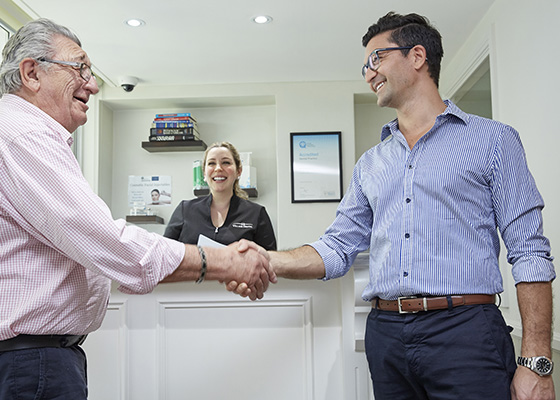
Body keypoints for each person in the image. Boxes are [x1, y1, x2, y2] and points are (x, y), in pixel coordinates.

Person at [230, 11, 555, 400]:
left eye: (376, 59)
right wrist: (266, 259)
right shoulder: (371, 163)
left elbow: (529, 251)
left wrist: (536, 360)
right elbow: (336, 249)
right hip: (386, 335)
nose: (368, 74)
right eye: (365, 65)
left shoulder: (493, 141)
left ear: (417, 56)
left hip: (466, 332)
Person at [0, 18, 274, 399]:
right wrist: (223, 262)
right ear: (31, 73)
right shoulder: (21, 137)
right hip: (19, 369)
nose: (92, 84)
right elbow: (109, 244)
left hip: (7, 365)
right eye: (80, 68)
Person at [165, 141, 277, 250]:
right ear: (204, 173)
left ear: (239, 171)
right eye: (211, 163)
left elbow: (270, 261)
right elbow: (164, 254)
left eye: (226, 162)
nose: (218, 168)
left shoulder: (256, 213)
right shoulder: (185, 210)